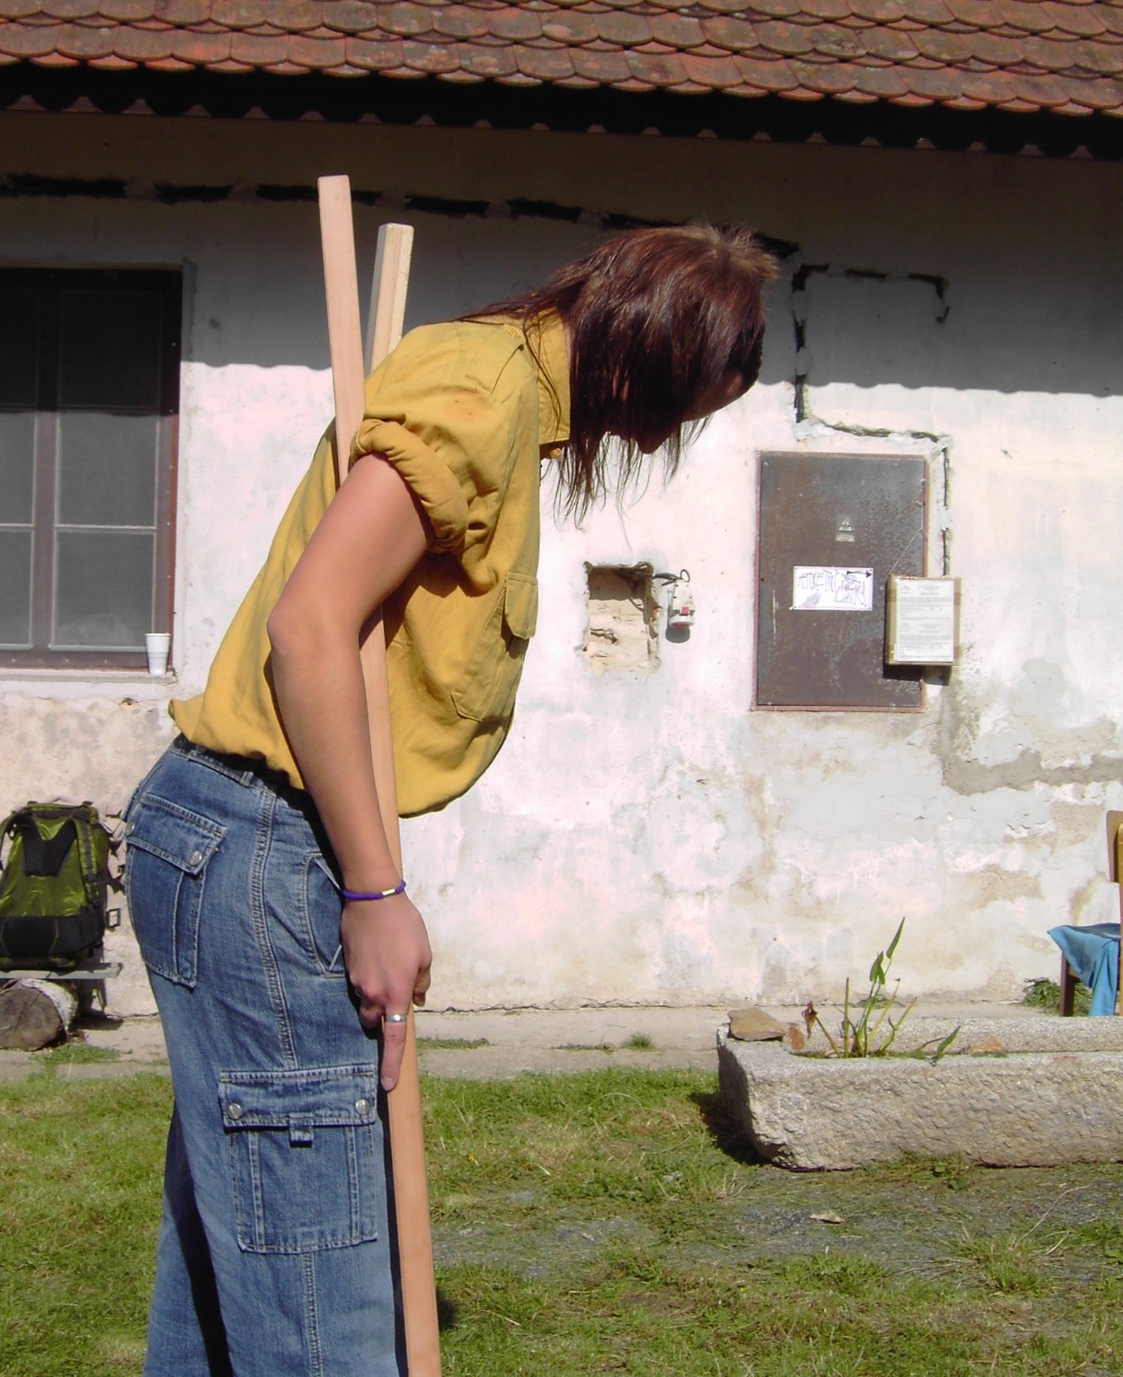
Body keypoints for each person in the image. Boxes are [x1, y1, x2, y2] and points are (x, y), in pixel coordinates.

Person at [123, 221, 776, 1377]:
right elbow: (310, 628)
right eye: (683, 406)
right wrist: (377, 892)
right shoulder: (482, 397)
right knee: (325, 1314)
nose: (667, 437)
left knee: (227, 1283)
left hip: (225, 830)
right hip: (263, 841)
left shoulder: (496, 384)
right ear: (646, 356)